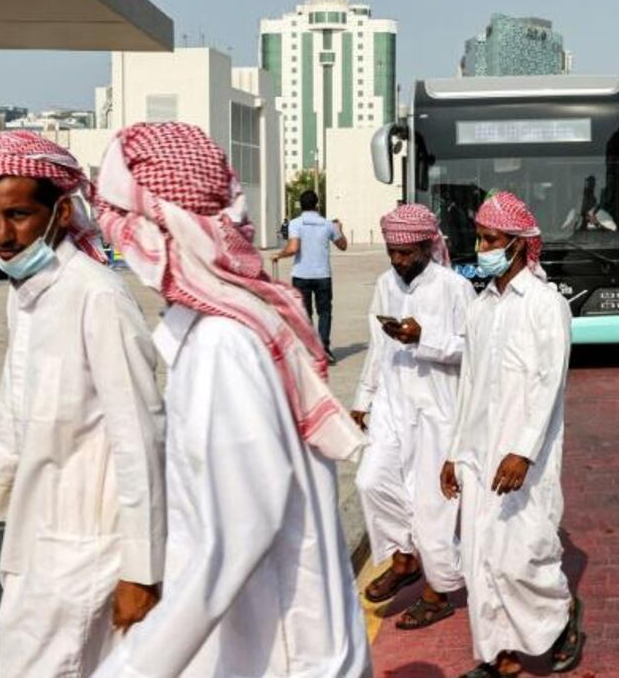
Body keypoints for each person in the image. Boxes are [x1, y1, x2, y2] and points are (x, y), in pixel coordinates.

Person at [90, 122, 370, 677]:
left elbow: (239, 536)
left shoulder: (224, 345)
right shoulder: (225, 327)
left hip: (280, 653)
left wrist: (131, 668)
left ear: (158, 229)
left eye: (121, 225)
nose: (118, 241)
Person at [0, 131, 165, 677]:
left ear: (59, 211)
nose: (1, 236)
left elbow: (142, 437)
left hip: (90, 548)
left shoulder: (97, 296)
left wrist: (141, 569)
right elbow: (12, 419)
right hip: (37, 544)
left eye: (18, 215)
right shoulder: (28, 297)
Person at [440, 192, 585, 678]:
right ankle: (496, 657)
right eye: (479, 237)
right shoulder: (481, 308)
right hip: (479, 454)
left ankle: (562, 614)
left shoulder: (546, 305)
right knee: (480, 559)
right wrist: (453, 452)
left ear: (522, 245)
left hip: (527, 457)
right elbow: (470, 387)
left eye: (491, 239)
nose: (482, 246)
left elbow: (550, 384)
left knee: (521, 558)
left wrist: (522, 452)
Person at [352, 204, 473, 630]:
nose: (399, 261)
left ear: (427, 245)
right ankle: (404, 559)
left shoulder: (455, 288)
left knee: (433, 505)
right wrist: (363, 397)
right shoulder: (386, 283)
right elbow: (377, 345)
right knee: (370, 481)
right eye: (392, 252)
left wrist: (426, 338)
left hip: (438, 409)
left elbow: (473, 350)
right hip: (391, 401)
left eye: (407, 253)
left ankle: (438, 591)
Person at [274, 189, 347, 364]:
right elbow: (342, 245)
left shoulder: (296, 223)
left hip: (301, 275)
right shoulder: (328, 224)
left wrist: (279, 255)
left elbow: (293, 248)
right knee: (325, 312)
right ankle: (324, 349)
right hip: (322, 275)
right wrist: (340, 230)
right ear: (317, 203)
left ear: (301, 204)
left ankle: (309, 350)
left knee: (304, 314)